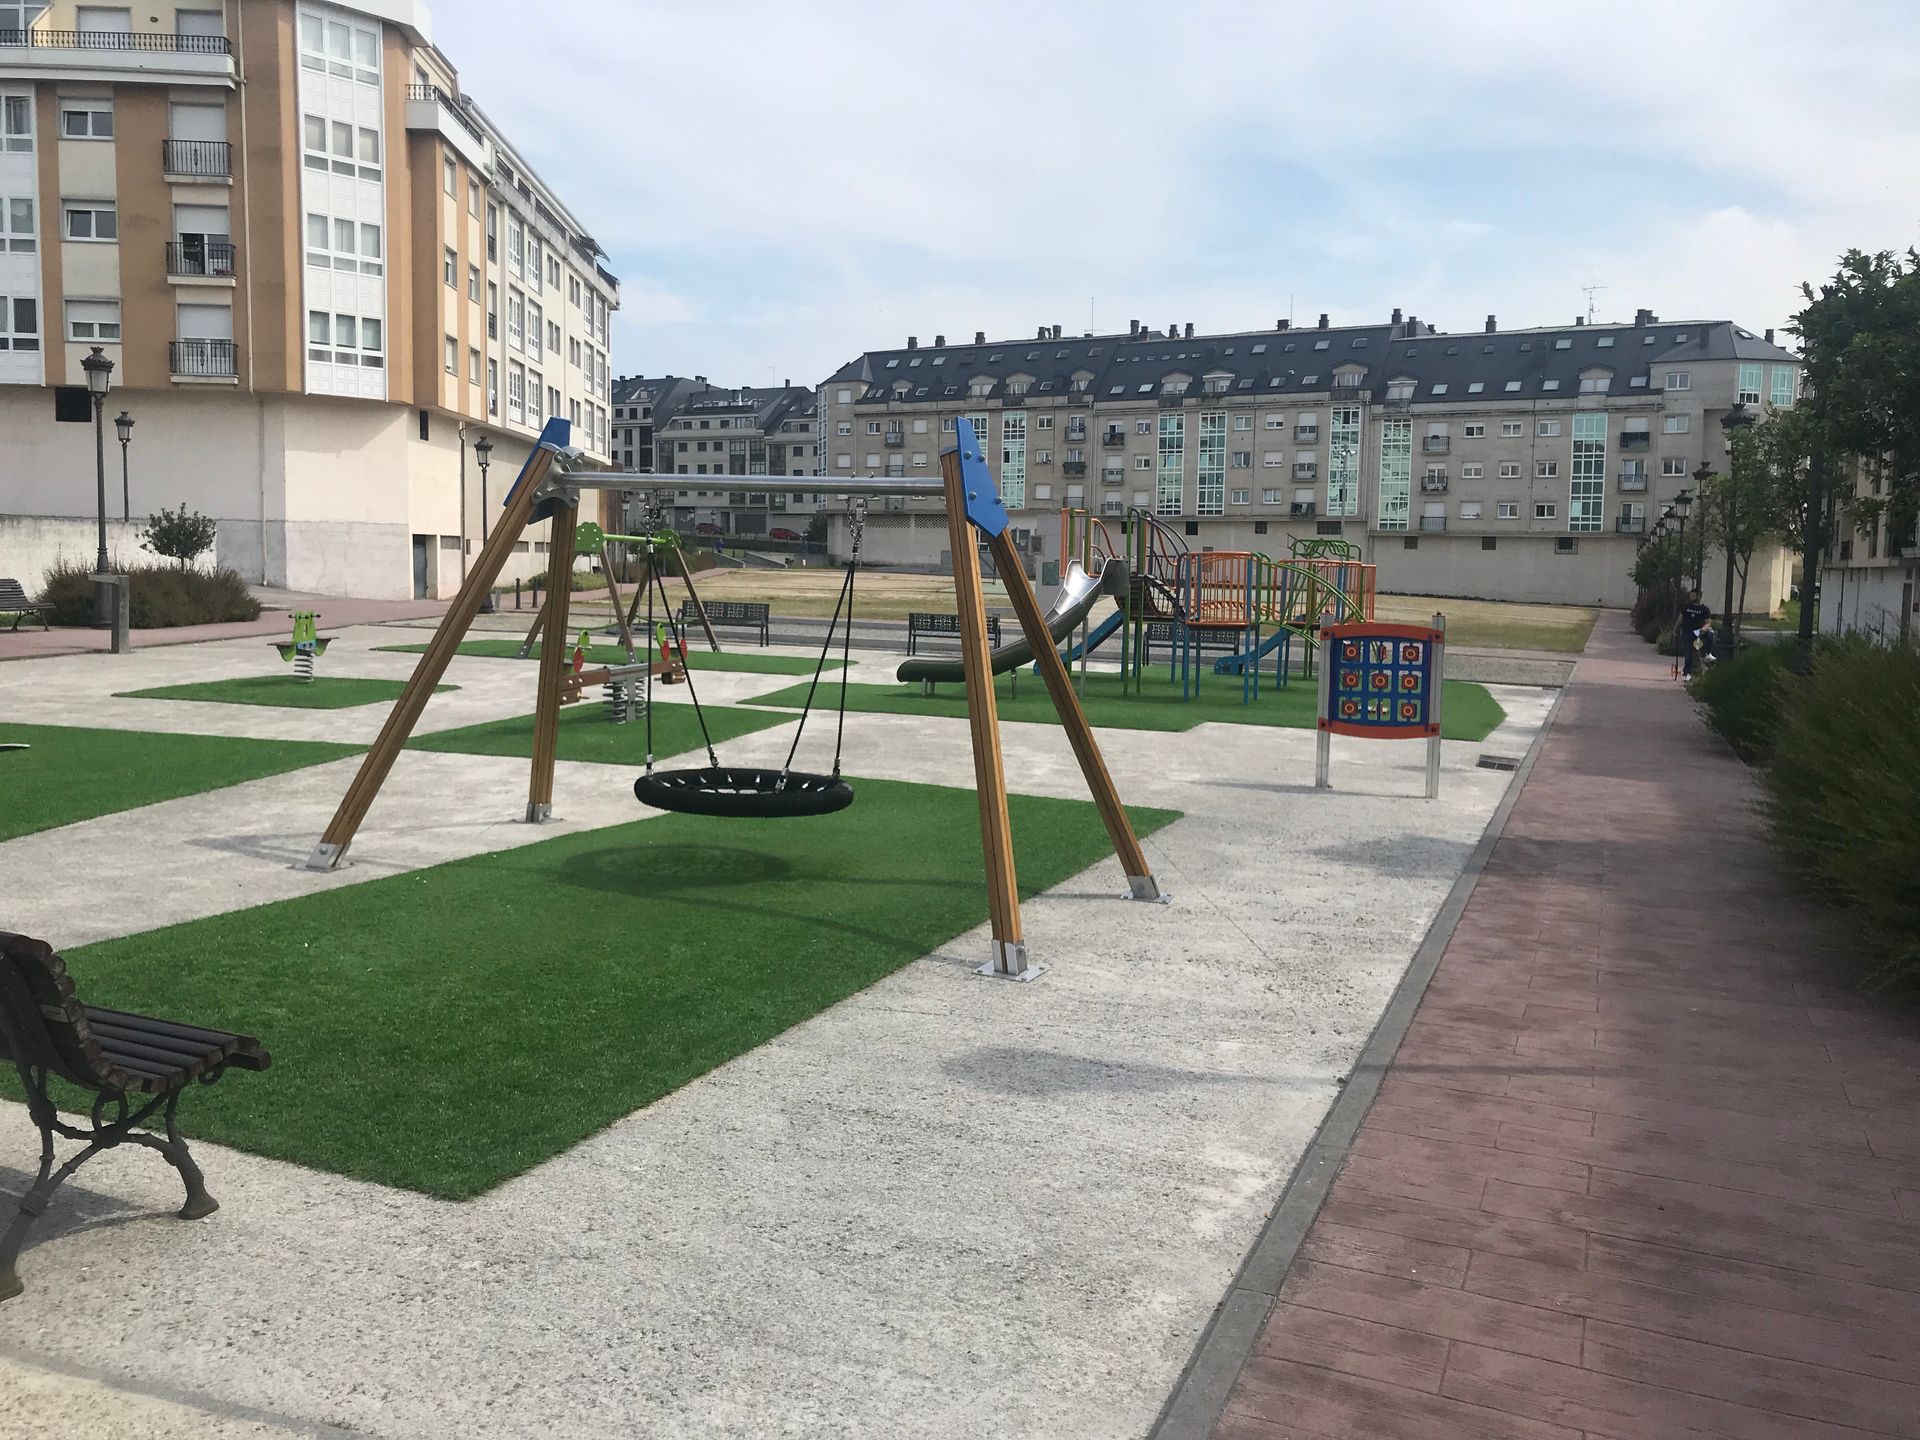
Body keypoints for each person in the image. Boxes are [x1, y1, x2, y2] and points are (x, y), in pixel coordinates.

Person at [1678, 590, 1712, 680]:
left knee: (1710, 635)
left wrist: (1704, 629)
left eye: (1693, 596)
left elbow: (1708, 622)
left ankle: (1707, 655)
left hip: (1699, 633)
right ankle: (1688, 672)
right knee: (1688, 654)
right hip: (1687, 632)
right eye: (1690, 596)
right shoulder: (1686, 607)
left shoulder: (1704, 609)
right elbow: (1680, 619)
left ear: (1699, 596)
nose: (1691, 598)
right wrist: (1675, 630)